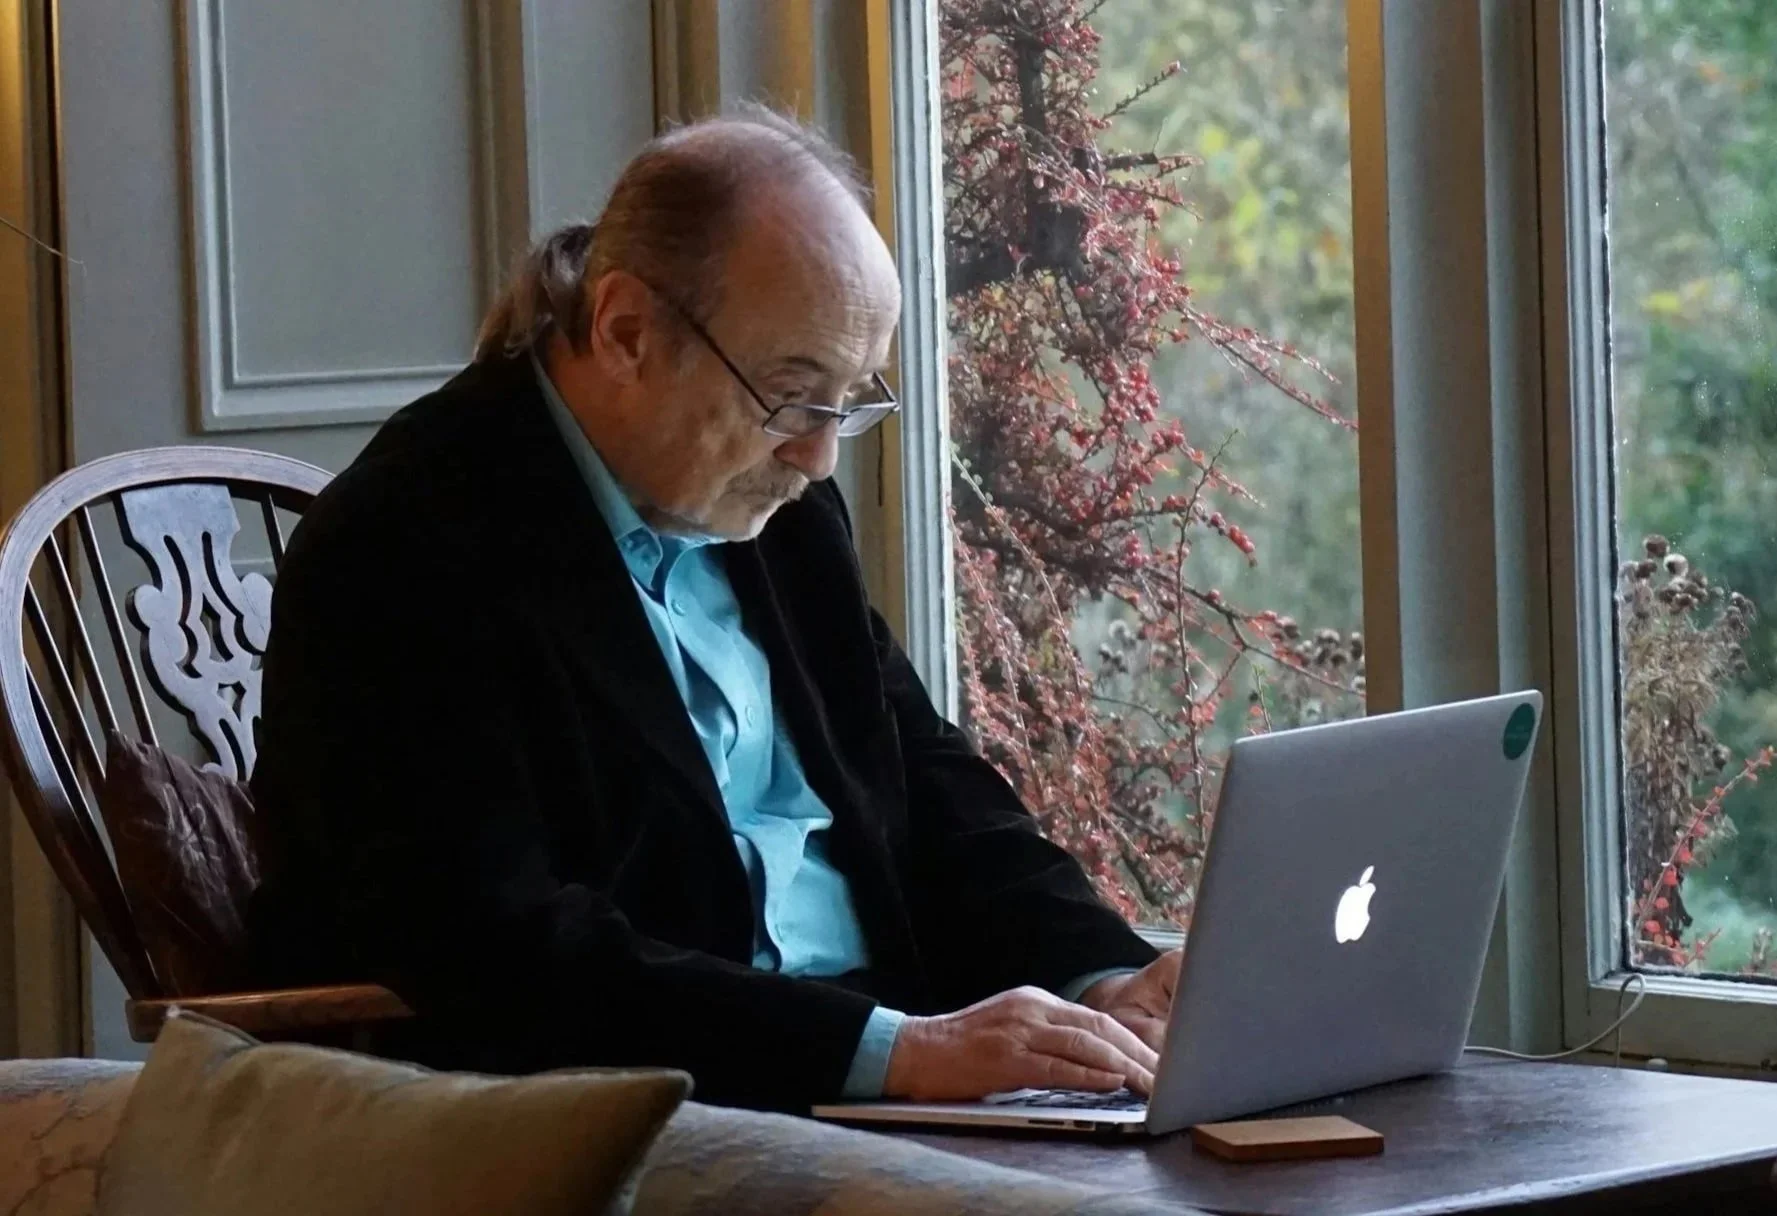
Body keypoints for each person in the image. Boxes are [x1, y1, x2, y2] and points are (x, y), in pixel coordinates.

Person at [247, 106, 1182, 1113]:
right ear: (626, 332)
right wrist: (896, 1052)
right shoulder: (403, 546)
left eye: (846, 402)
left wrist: (1105, 973)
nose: (819, 455)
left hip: (888, 1072)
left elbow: (918, 773)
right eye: (790, 395)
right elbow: (498, 949)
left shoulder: (777, 507)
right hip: (657, 1105)